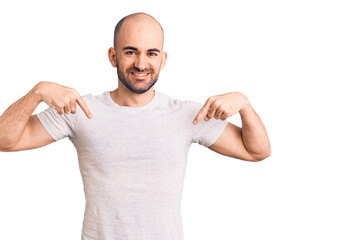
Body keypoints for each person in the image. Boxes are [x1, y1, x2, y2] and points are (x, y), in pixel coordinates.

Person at [0, 12, 271, 240]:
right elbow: (5, 140)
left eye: (151, 53)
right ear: (113, 56)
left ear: (163, 59)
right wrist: (36, 93)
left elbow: (257, 151)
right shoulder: (79, 110)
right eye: (131, 52)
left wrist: (245, 106)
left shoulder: (189, 115)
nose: (141, 64)